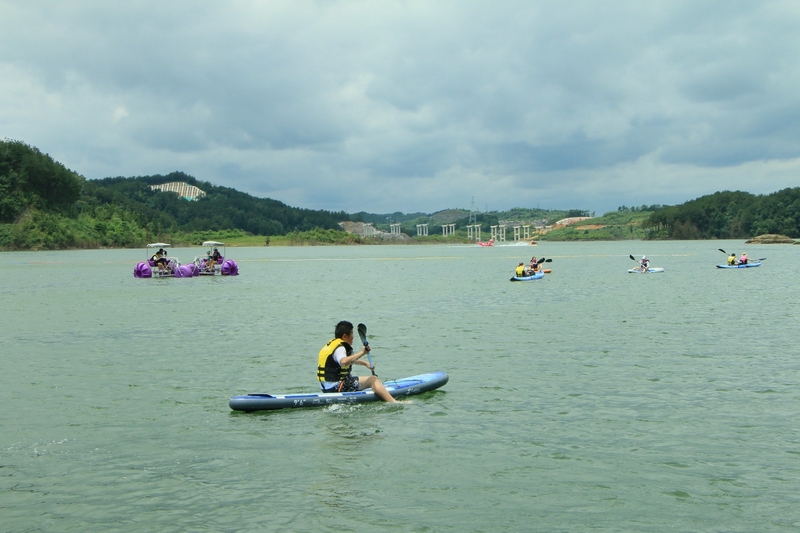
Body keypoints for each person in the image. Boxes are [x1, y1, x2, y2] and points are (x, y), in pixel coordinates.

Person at [317, 321, 398, 403]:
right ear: (345, 336)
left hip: (326, 388)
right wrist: (362, 352)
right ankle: (393, 402)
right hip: (337, 388)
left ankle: (375, 389)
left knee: (357, 379)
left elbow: (349, 359)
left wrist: (365, 363)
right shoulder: (340, 348)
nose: (353, 337)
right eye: (351, 333)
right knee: (373, 379)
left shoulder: (332, 345)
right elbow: (344, 362)